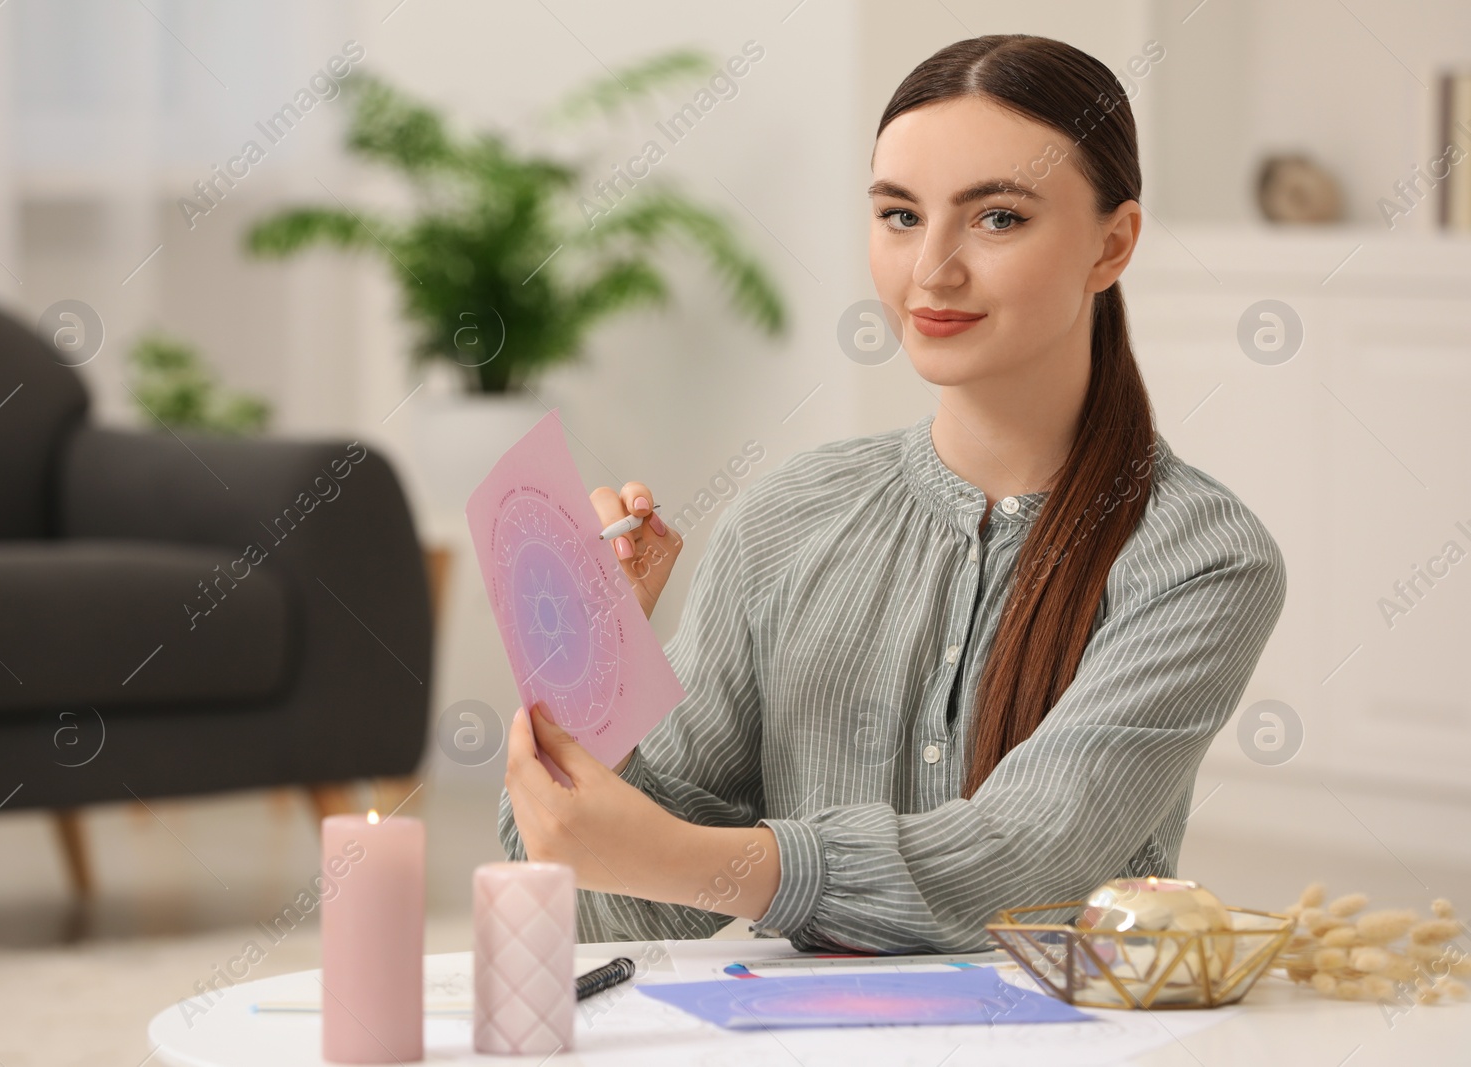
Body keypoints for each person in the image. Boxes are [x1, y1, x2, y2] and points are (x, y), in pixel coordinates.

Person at [498, 33, 1287, 954]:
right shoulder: (785, 518)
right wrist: (597, 683)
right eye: (900, 215)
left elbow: (1023, 862)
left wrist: (689, 857)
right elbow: (602, 909)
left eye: (997, 218)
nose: (931, 270)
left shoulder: (1204, 558)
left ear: (1113, 244)